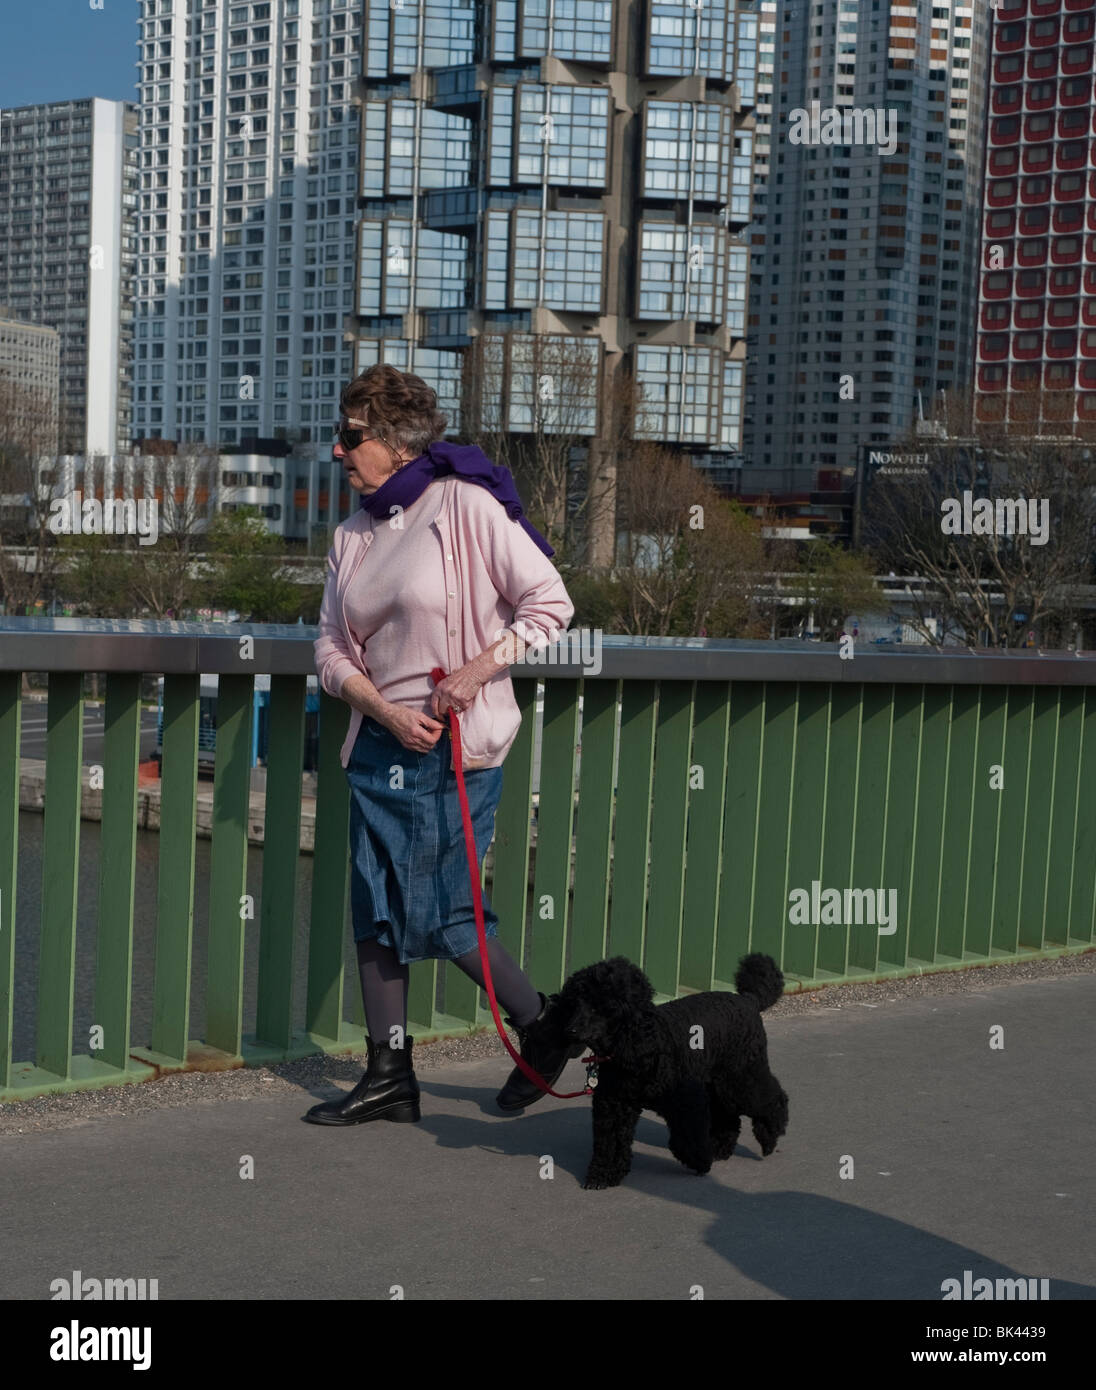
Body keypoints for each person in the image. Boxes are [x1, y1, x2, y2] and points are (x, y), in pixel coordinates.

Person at [304, 363, 579, 1127]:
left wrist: (474, 672)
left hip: (457, 749)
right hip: (380, 747)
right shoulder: (353, 536)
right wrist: (381, 712)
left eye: (351, 436)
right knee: (373, 911)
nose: (338, 451)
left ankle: (544, 1026)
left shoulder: (464, 506)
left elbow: (551, 601)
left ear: (395, 442)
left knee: (444, 913)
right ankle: (390, 1074)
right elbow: (330, 648)